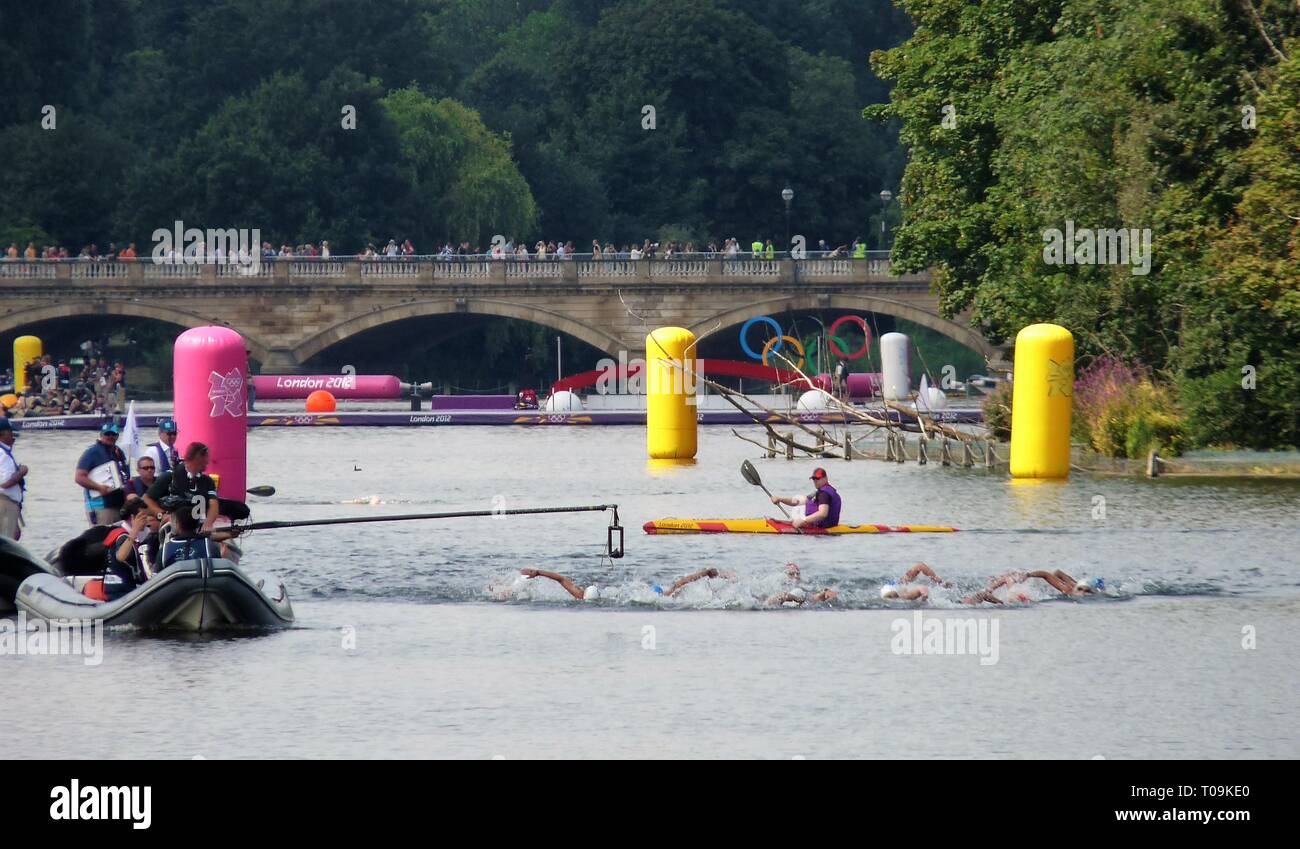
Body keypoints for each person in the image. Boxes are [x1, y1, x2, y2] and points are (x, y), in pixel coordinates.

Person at [74, 423, 129, 526]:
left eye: (113, 434)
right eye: (107, 434)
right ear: (101, 435)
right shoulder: (92, 452)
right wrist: (99, 488)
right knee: (103, 538)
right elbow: (79, 477)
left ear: (117, 436)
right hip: (101, 506)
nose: (110, 437)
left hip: (119, 505)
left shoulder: (118, 452)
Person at [770, 467, 842, 530]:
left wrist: (803, 520)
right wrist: (780, 499)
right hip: (813, 525)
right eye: (814, 479)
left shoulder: (824, 494)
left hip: (820, 528)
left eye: (818, 479)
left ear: (825, 478)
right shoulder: (819, 492)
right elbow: (796, 501)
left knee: (774, 522)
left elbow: (823, 514)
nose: (815, 481)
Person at [764, 562, 838, 606]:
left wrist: (824, 594)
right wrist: (791, 597)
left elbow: (810, 598)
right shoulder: (777, 586)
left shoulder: (805, 587)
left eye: (798, 574)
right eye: (791, 574)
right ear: (784, 576)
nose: (796, 576)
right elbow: (768, 602)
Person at [0, 419, 27, 540]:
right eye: (11, 432)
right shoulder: (2, 454)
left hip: (7, 503)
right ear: (2, 434)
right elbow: (5, 483)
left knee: (13, 536)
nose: (13, 436)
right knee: (8, 540)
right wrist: (22, 472)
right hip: (5, 502)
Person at [880, 562, 951, 601]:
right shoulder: (896, 591)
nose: (916, 575)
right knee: (921, 589)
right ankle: (924, 596)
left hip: (893, 587)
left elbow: (920, 566)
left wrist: (940, 582)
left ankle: (941, 584)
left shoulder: (900, 582)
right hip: (891, 593)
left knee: (920, 566)